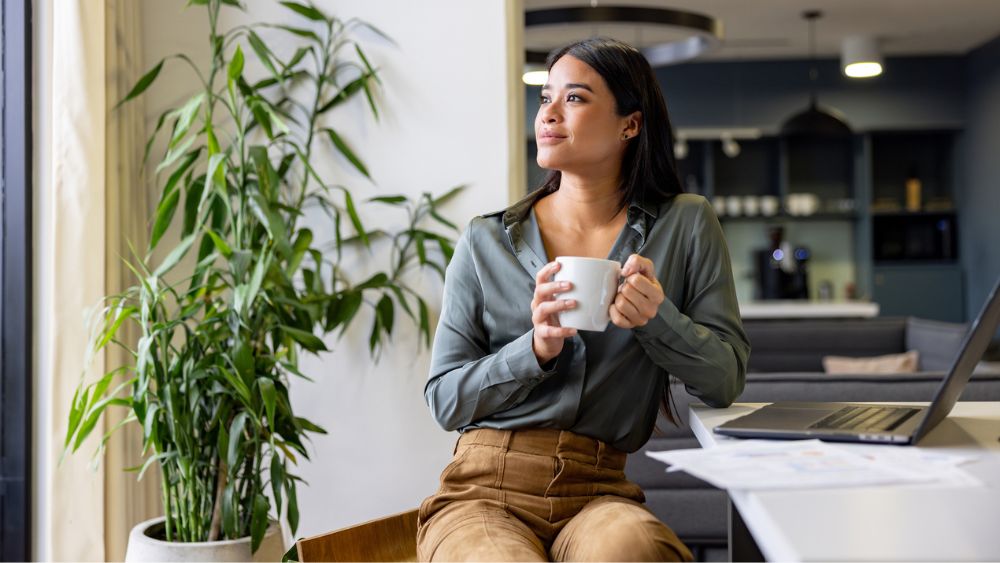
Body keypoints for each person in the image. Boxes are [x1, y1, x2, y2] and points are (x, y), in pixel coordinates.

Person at [417, 37, 750, 562]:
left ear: (630, 125)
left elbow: (725, 380)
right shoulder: (486, 240)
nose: (547, 113)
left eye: (573, 98)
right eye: (545, 97)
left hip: (598, 491)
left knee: (630, 548)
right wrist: (536, 350)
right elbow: (444, 399)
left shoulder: (686, 224)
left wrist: (656, 319)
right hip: (482, 491)